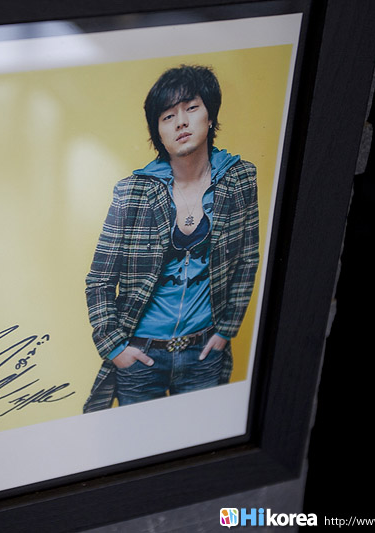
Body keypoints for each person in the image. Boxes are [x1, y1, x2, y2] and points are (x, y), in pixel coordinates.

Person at [83, 65, 259, 412]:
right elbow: (99, 280)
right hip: (142, 356)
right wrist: (115, 348)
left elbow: (247, 259)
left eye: (191, 108)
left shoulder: (240, 178)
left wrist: (226, 330)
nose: (181, 122)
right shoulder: (132, 192)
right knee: (137, 442)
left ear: (210, 117)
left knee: (201, 438)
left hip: (204, 353)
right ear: (158, 133)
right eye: (168, 116)